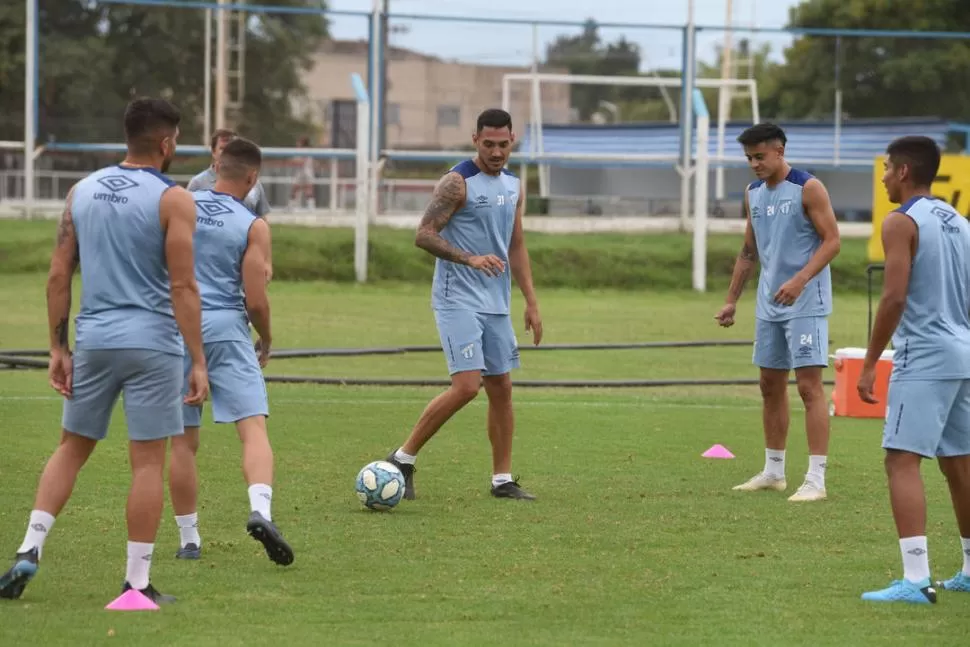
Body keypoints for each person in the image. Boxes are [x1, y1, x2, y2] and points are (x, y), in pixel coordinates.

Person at [0, 98, 208, 604]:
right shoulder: (175, 198)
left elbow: (57, 274)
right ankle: (136, 584)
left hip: (93, 341)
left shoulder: (81, 192)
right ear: (165, 143)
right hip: (152, 345)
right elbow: (183, 287)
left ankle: (29, 549)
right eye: (175, 140)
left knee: (71, 448)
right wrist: (199, 360)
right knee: (146, 464)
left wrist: (56, 347)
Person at [385, 108, 543, 501]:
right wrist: (469, 258)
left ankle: (502, 480)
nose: (495, 152)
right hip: (457, 298)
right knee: (467, 386)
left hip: (496, 302)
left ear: (512, 141)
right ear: (475, 140)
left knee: (502, 388)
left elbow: (516, 245)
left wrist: (531, 301)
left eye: (503, 144)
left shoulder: (513, 185)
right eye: (488, 144)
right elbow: (423, 235)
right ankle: (402, 459)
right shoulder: (457, 183)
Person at [169, 137, 292, 567]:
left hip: (175, 328)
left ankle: (189, 540)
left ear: (216, 167)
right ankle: (260, 510)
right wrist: (268, 337)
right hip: (225, 327)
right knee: (253, 428)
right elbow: (256, 300)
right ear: (253, 178)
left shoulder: (178, 204)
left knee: (183, 443)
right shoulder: (252, 224)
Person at [858, 136, 970, 604]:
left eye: (886, 168)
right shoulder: (960, 222)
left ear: (904, 171)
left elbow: (894, 297)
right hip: (963, 351)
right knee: (960, 462)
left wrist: (868, 364)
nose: (882, 176)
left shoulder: (900, 221)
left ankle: (915, 580)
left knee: (901, 459)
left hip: (924, 354)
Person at [715, 122, 841, 502]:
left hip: (806, 301)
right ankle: (773, 471)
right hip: (770, 305)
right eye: (749, 158)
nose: (754, 164)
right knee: (769, 386)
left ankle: (816, 479)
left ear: (779, 151)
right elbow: (749, 250)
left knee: (808, 387)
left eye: (760, 156)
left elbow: (833, 241)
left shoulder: (809, 187)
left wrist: (801, 279)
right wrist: (732, 299)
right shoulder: (753, 193)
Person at [188, 128, 272, 219]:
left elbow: (262, 217)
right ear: (213, 152)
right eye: (222, 149)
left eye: (232, 149)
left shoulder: (254, 182)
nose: (228, 154)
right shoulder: (198, 183)